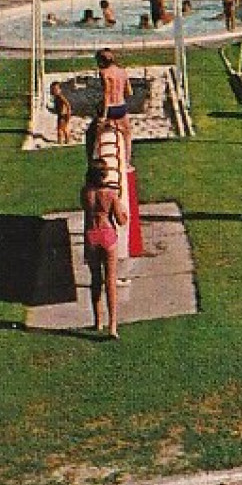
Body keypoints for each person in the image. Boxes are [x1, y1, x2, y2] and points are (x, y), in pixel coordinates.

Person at [81, 160, 128, 337]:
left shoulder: (86, 193)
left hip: (91, 234)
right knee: (111, 280)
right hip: (107, 234)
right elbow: (121, 220)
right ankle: (113, 325)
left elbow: (86, 215)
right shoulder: (110, 194)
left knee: (95, 279)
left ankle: (98, 321)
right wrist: (123, 208)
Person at [96, 49, 132, 166]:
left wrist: (104, 116)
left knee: (96, 133)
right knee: (127, 133)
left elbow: (106, 93)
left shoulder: (104, 73)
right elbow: (129, 92)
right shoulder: (122, 71)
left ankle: (96, 158)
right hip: (121, 106)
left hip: (110, 108)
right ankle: (127, 162)